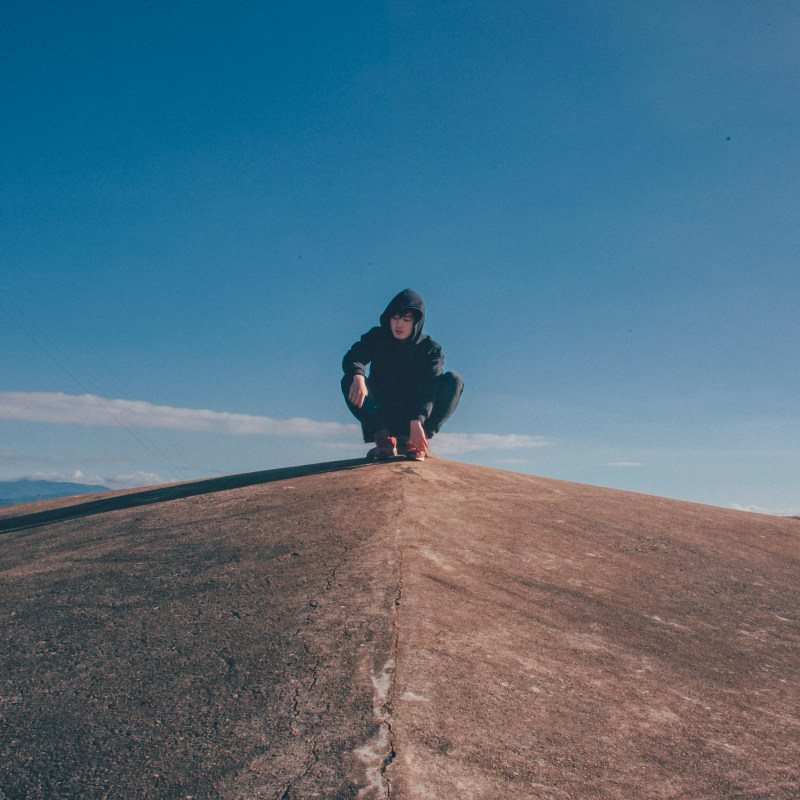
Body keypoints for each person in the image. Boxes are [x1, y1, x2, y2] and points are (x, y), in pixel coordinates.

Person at [341, 289, 463, 461]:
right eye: (395, 318)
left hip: (417, 415)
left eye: (406, 320)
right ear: (388, 318)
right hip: (380, 413)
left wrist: (418, 420)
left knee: (453, 381)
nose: (399, 325)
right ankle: (384, 441)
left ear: (417, 322)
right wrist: (358, 375)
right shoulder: (377, 337)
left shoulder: (430, 349)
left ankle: (418, 442)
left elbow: (430, 387)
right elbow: (353, 357)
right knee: (349, 380)